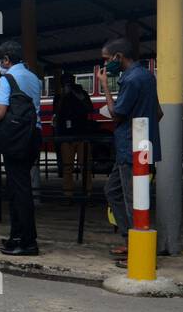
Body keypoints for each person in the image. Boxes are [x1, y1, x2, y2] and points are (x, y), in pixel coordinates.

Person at [98, 38, 161, 259]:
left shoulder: (132, 80)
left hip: (131, 147)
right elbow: (159, 112)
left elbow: (117, 113)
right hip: (142, 144)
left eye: (107, 60)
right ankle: (129, 238)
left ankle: (137, 247)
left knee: (132, 198)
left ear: (118, 57)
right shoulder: (146, 76)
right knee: (112, 190)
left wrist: (105, 85)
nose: (105, 65)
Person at [0, 39, 42, 256]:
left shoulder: (6, 79)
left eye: (1, 60)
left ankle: (28, 242)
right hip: (33, 136)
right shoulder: (34, 78)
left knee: (19, 191)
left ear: (7, 60)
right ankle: (16, 236)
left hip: (16, 139)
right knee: (20, 187)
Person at [55, 74, 94, 198]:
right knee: (67, 167)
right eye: (65, 83)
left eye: (70, 82)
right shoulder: (59, 97)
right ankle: (68, 195)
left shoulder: (81, 93)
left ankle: (87, 194)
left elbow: (90, 108)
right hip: (66, 136)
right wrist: (63, 96)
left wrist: (77, 94)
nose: (68, 85)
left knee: (86, 167)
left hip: (82, 134)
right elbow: (57, 112)